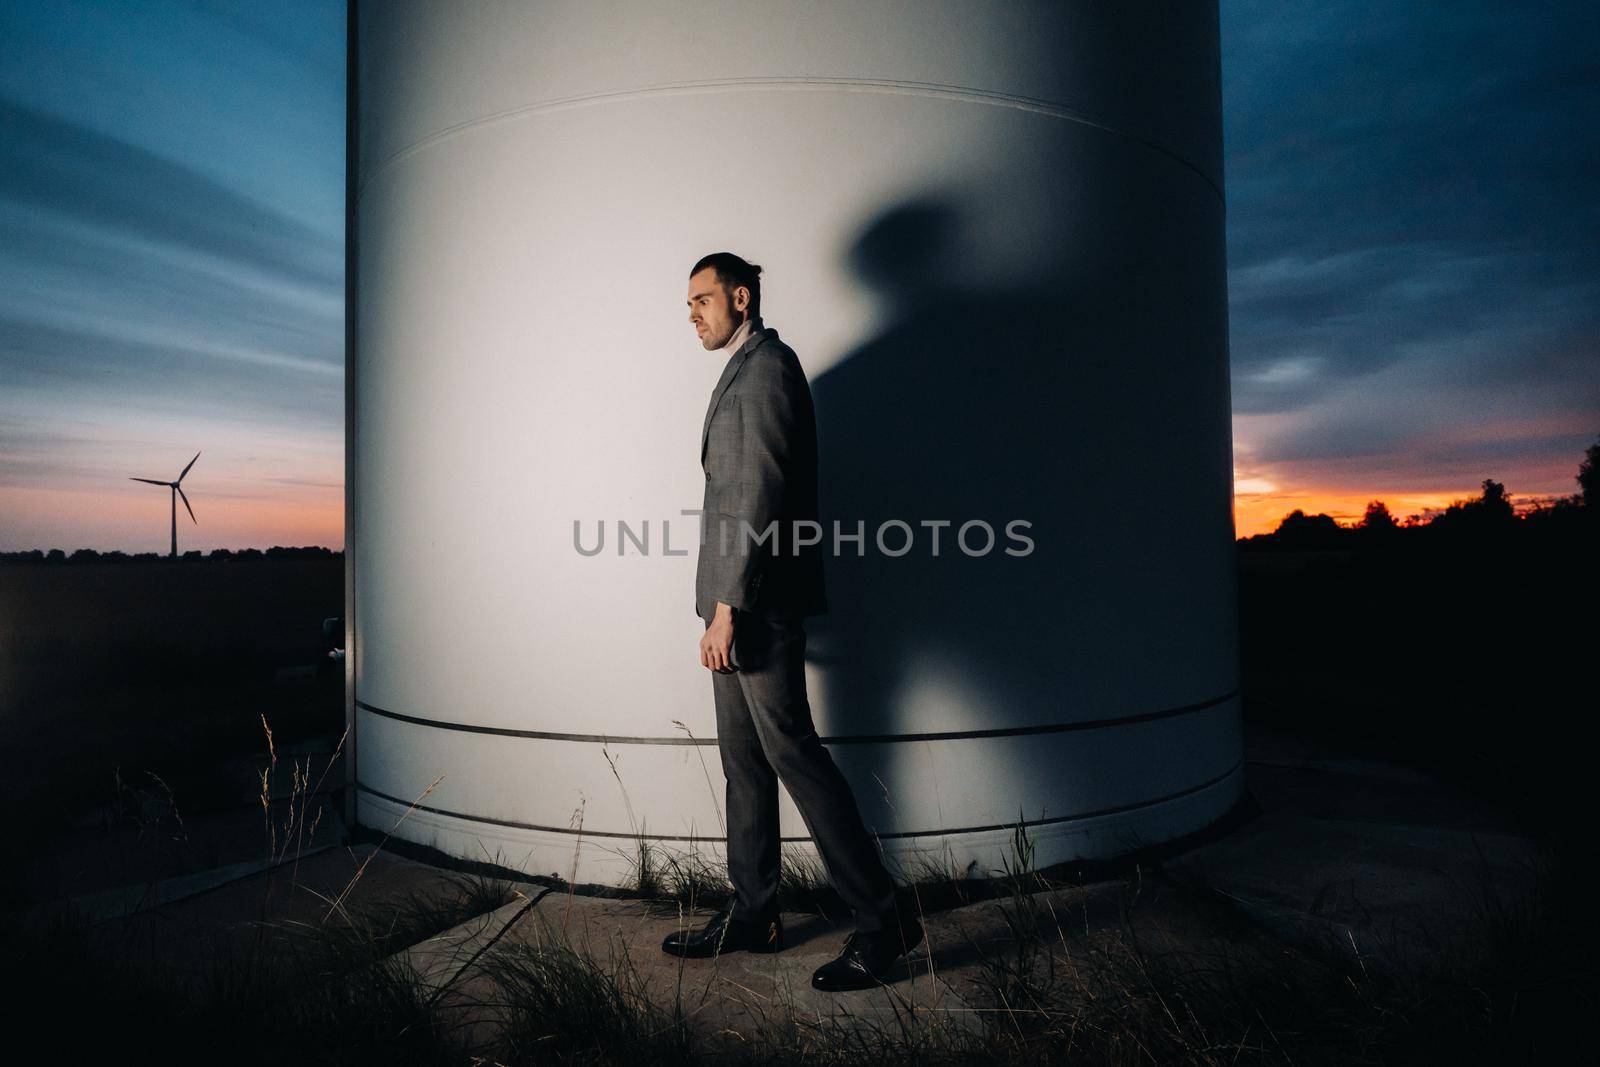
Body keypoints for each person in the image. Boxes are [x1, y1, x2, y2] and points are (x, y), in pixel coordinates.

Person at [660, 251, 923, 991]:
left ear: (740, 298)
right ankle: (755, 911)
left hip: (752, 608)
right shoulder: (743, 368)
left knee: (794, 757)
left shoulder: (768, 367)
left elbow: (757, 496)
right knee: (745, 766)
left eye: (702, 300)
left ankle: (883, 917)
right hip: (734, 605)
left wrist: (727, 609)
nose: (692, 314)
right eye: (688, 304)